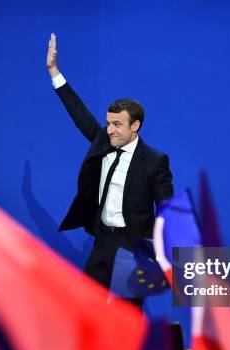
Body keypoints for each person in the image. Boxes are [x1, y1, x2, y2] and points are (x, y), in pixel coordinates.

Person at [46, 33, 174, 293]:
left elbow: (166, 211)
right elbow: (78, 113)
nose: (111, 130)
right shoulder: (102, 142)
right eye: (109, 123)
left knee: (129, 318)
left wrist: (161, 252)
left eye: (117, 124)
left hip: (134, 247)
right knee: (88, 307)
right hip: (103, 241)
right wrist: (54, 72)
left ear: (135, 126)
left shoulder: (154, 161)